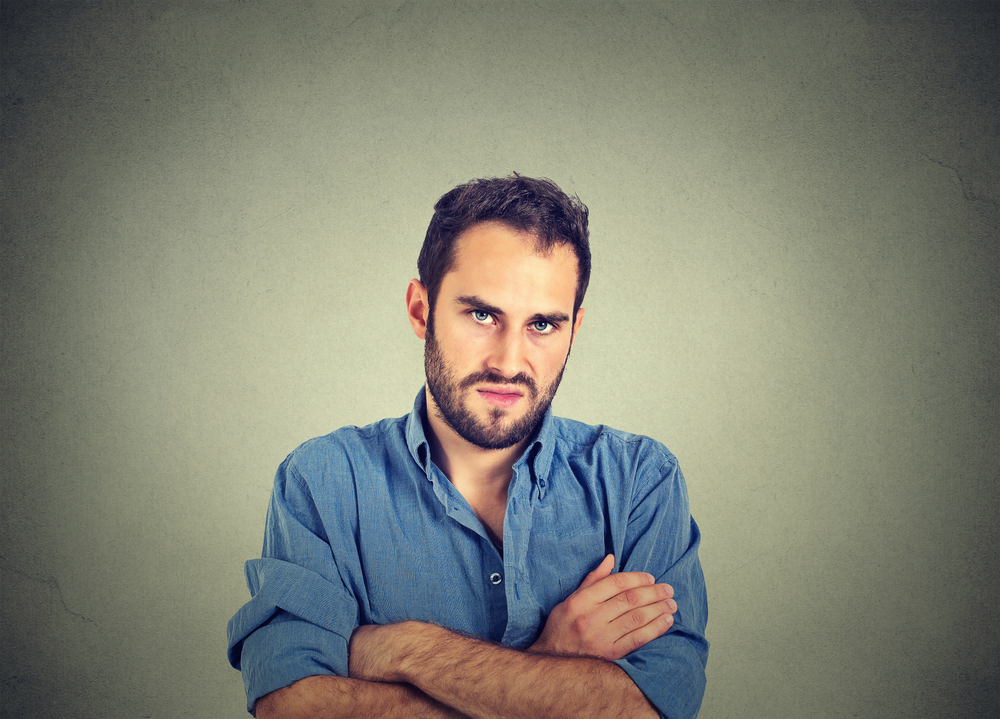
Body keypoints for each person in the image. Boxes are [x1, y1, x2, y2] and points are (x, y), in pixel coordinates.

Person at [227, 174, 709, 718]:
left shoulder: (639, 482)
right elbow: (294, 710)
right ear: (420, 310)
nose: (508, 361)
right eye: (483, 315)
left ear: (574, 328)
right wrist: (549, 660)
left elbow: (650, 711)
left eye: (543, 324)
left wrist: (407, 648)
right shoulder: (322, 480)